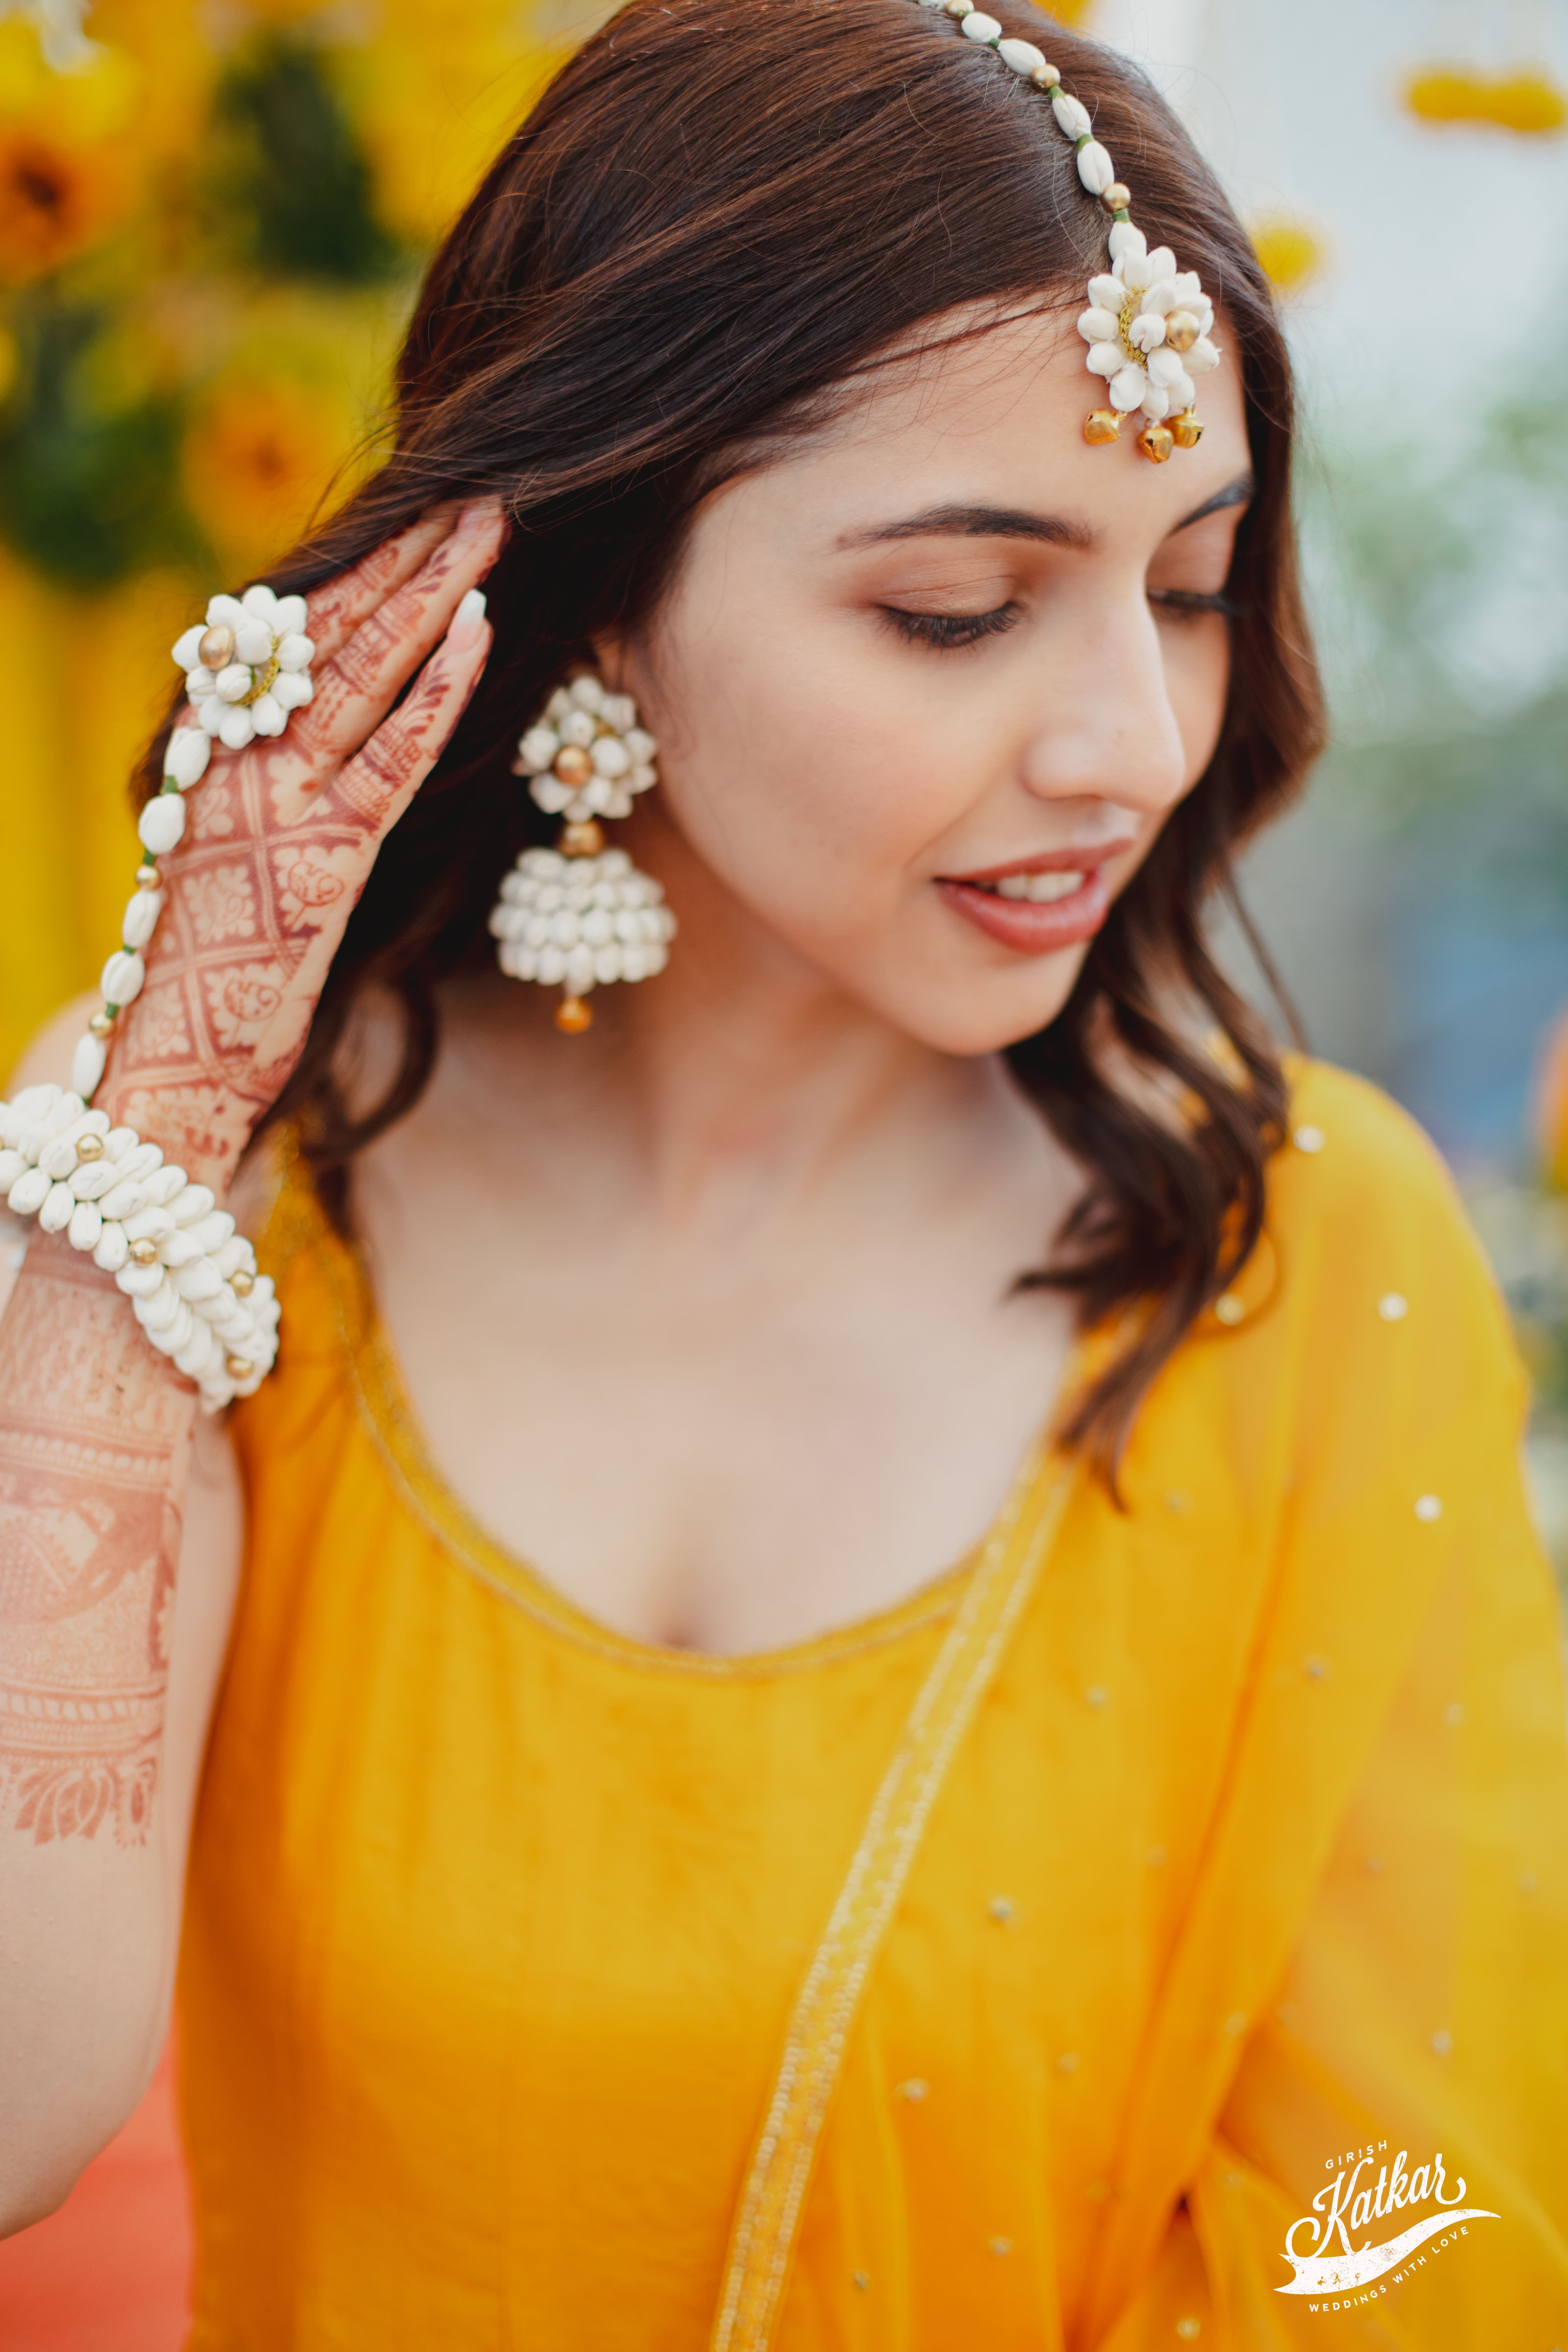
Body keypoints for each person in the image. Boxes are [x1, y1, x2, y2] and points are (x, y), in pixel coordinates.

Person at [2, 0, 1565, 2342]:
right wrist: (137, 1161)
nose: (1131, 746)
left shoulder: (1296, 1261)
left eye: (1191, 582)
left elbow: (1415, 2235)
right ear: (597, 588)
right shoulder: (237, 1205)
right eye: (958, 612)